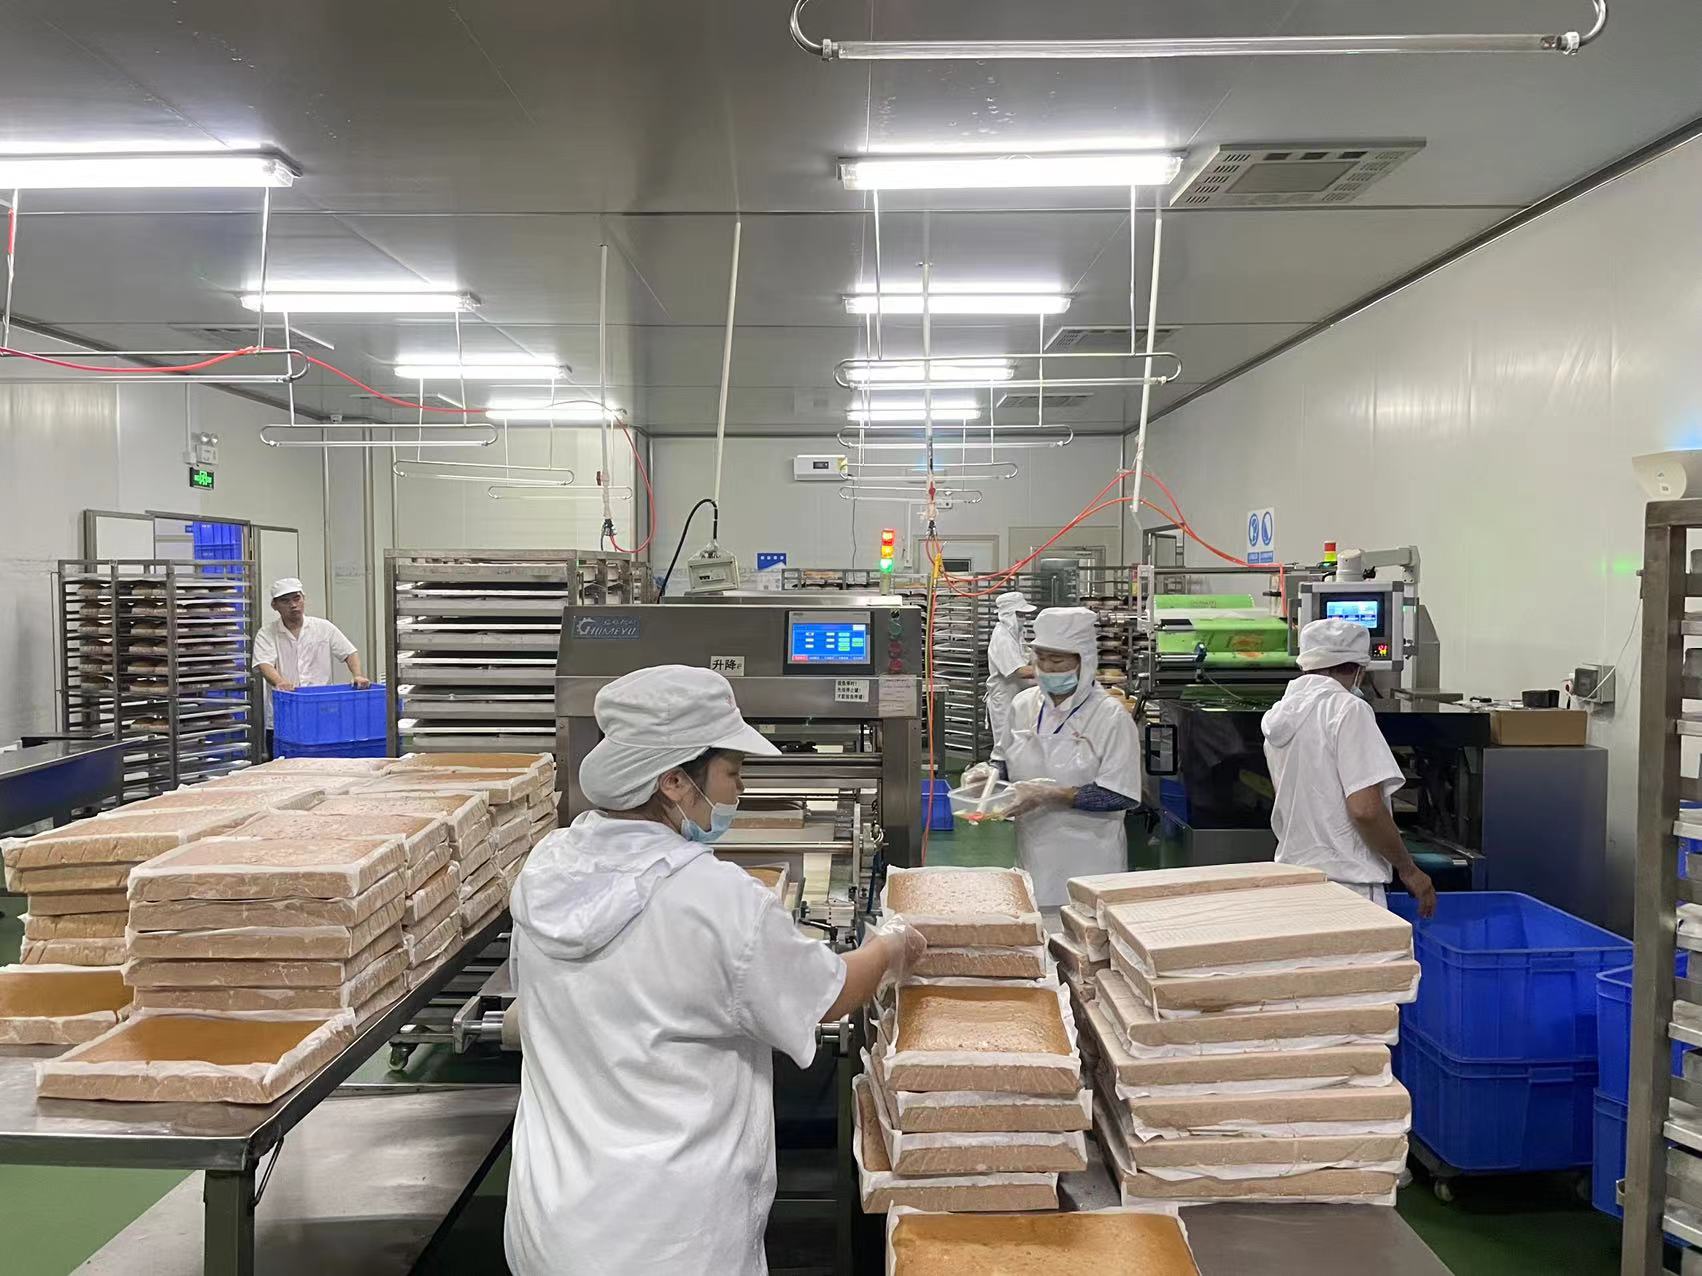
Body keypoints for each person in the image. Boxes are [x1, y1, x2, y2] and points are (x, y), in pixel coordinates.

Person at [503, 664, 926, 1276]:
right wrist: (890, 948)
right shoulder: (715, 898)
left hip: (552, 1225)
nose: (738, 791)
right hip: (670, 1239)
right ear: (675, 780)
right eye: (732, 772)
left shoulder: (548, 869)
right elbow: (828, 994)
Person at [1261, 617, 1437, 917]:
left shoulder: (1279, 717)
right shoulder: (1348, 709)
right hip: (1349, 888)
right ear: (1357, 670)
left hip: (1296, 882)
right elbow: (1365, 810)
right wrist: (1408, 869)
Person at [992, 606, 1143, 908]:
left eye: (1057, 660)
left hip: (1091, 861)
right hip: (1033, 852)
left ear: (1083, 661)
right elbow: (1004, 761)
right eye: (1041, 658)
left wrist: (1052, 795)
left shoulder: (1109, 717)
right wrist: (988, 776)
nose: (1047, 668)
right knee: (1038, 923)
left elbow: (1122, 794)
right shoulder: (1023, 705)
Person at [251, 578, 369, 754]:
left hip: (320, 712)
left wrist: (357, 674)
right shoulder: (267, 633)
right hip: (284, 715)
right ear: (274, 605)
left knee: (323, 761)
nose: (293, 605)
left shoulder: (323, 627)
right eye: (285, 601)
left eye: (296, 598)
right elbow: (264, 664)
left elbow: (349, 652)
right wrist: (279, 681)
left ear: (304, 599)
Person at [984, 590, 1036, 767]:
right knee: (1004, 747)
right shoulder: (1002, 637)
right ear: (1008, 614)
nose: (1024, 619)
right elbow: (1019, 671)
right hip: (1004, 697)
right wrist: (1050, 671)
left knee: (1017, 743)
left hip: (1016, 695)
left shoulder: (1015, 634)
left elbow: (1026, 658)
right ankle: (1000, 775)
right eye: (1020, 615)